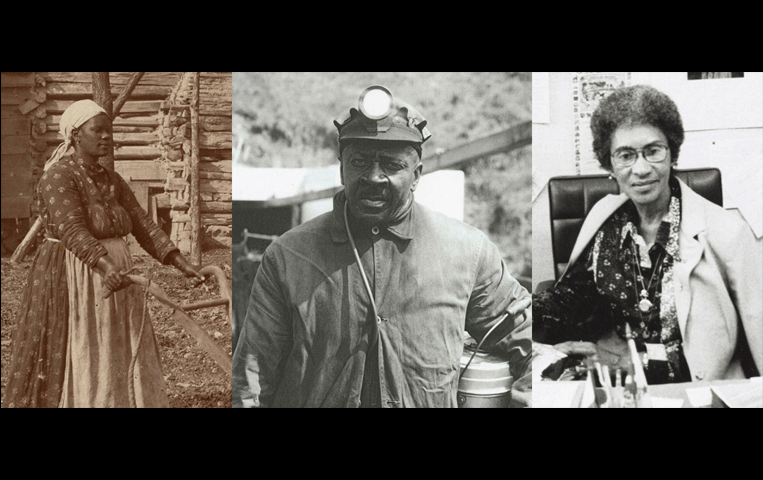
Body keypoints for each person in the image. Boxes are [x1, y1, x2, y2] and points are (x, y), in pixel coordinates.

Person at [233, 85, 532, 407]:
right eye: (360, 162)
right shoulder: (288, 255)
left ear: (416, 175)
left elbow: (528, 335)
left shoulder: (468, 252)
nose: (374, 177)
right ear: (342, 169)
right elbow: (251, 380)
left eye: (392, 165)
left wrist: (529, 393)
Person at [533, 85, 762, 384]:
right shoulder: (605, 218)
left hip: (695, 387)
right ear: (609, 165)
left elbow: (742, 340)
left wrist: (634, 362)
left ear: (672, 154)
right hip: (616, 385)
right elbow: (574, 297)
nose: (640, 169)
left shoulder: (728, 233)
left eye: (653, 151)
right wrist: (519, 309)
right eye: (625, 155)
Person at [3, 99, 203, 408]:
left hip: (117, 274)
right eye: (98, 131)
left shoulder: (112, 180)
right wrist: (106, 265)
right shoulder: (58, 177)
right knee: (86, 344)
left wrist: (181, 263)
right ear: (75, 135)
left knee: (116, 343)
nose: (107, 137)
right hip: (77, 271)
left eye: (109, 131)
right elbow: (72, 230)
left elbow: (144, 225)